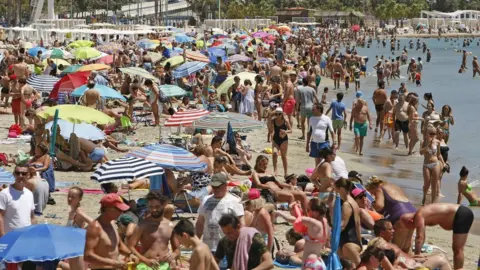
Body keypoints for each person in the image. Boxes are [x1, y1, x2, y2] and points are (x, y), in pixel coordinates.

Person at [404, 203, 474, 270]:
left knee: (457, 249)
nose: (411, 229)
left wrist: (417, 256)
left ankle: (459, 269)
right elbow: (422, 236)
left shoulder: (419, 215)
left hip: (461, 214)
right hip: (460, 212)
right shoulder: (421, 214)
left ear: (410, 221)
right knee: (457, 249)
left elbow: (420, 237)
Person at [128, 191, 180, 270]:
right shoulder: (143, 225)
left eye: (157, 206)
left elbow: (177, 249)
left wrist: (173, 254)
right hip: (145, 266)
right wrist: (145, 260)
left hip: (165, 266)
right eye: (151, 207)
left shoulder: (170, 226)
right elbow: (131, 246)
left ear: (164, 205)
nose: (154, 209)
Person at [84, 194, 138, 269]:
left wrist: (129, 254)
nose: (121, 212)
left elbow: (119, 245)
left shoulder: (112, 224)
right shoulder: (95, 227)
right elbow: (88, 256)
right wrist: (113, 262)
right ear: (108, 209)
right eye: (118, 209)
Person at [373, 220, 452, 270]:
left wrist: (414, 257)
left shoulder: (389, 244)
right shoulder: (381, 245)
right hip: (412, 267)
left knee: (441, 257)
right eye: (390, 229)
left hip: (415, 263)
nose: (393, 231)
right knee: (441, 258)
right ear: (382, 232)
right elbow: (387, 262)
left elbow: (399, 256)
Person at [196, 173, 245, 252]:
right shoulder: (205, 200)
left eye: (218, 187)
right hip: (208, 246)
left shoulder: (235, 201)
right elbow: (200, 222)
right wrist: (197, 242)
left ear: (225, 185)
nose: (215, 189)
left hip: (228, 247)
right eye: (213, 186)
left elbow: (242, 225)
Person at [365, 177, 416, 254]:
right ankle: (410, 261)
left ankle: (398, 263)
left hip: (400, 214)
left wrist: (370, 206)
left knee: (397, 248)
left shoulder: (379, 189)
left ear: (372, 187)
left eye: (372, 193)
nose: (372, 195)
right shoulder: (393, 186)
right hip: (413, 213)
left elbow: (379, 205)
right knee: (406, 245)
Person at [0, 165, 36, 236]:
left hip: (26, 236)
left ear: (28, 175)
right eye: (17, 173)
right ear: (14, 174)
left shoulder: (29, 194)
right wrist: (2, 235)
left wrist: (34, 233)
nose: (20, 176)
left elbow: (32, 217)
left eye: (24, 173)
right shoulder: (5, 194)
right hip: (9, 236)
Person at [334, 178, 362, 266]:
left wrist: (330, 234)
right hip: (354, 240)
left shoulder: (346, 204)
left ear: (341, 189)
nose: (335, 192)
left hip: (347, 241)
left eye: (336, 189)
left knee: (355, 266)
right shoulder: (354, 202)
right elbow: (358, 224)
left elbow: (342, 225)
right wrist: (360, 241)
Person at [420, 125, 445, 205]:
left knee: (434, 185)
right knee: (426, 184)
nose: (432, 135)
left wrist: (444, 163)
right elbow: (421, 152)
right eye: (431, 133)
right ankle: (424, 196)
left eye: (434, 133)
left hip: (435, 164)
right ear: (427, 133)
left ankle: (432, 203)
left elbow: (439, 154)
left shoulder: (437, 142)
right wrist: (428, 145)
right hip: (426, 164)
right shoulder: (423, 142)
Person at [268, 107, 291, 176]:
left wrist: (285, 131)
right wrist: (269, 118)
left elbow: (291, 130)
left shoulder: (285, 120)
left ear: (282, 114)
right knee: (274, 154)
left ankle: (286, 172)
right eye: (276, 114)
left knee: (284, 156)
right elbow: (270, 130)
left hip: (284, 140)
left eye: (279, 114)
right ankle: (275, 171)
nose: (278, 115)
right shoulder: (273, 120)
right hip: (276, 139)